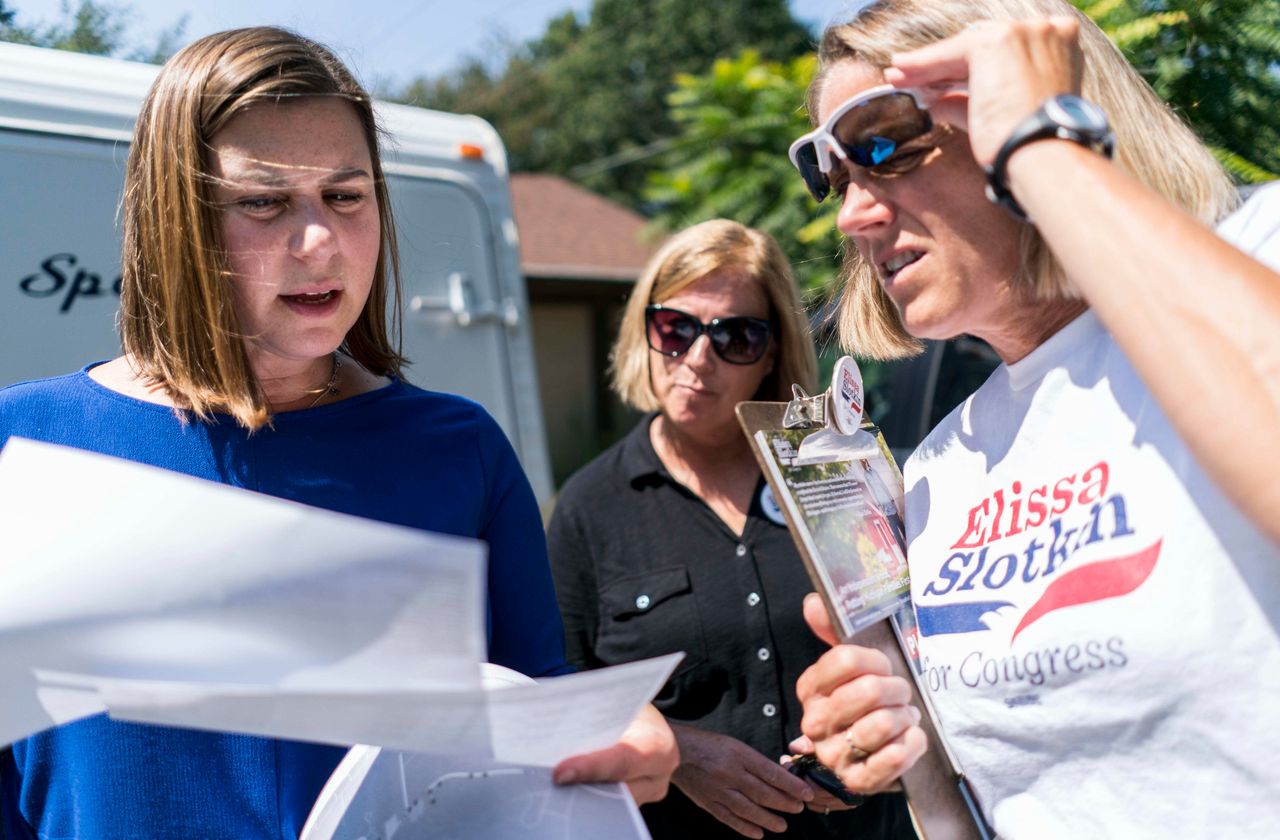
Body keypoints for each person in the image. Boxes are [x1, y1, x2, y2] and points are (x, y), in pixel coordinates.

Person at [0, 26, 675, 839]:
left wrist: (617, 749)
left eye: (346, 197)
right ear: (175, 220)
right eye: (264, 201)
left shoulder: (459, 452)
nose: (318, 242)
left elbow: (533, 733)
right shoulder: (25, 444)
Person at [784, 0, 1280, 837]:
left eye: (883, 142)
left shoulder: (1259, 251)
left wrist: (1047, 146)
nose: (851, 213)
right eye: (836, 172)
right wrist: (899, 735)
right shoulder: (940, 470)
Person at [547, 219, 915, 839]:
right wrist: (682, 753)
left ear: (771, 353)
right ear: (647, 330)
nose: (697, 358)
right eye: (676, 328)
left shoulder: (830, 475)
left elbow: (918, 644)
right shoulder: (589, 507)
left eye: (735, 336)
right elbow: (559, 695)